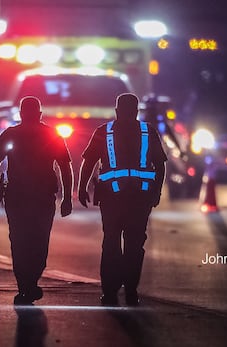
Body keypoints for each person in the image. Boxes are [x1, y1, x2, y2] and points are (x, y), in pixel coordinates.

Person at [77, 93, 167, 306]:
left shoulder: (104, 131)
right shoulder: (148, 131)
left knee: (111, 243)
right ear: (137, 111)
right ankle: (131, 291)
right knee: (134, 245)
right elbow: (160, 166)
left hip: (112, 199)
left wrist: (81, 188)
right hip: (140, 198)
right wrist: (156, 192)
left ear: (116, 110)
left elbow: (88, 163)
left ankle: (110, 292)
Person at [0, 96, 73, 305]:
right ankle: (31, 282)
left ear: (21, 114)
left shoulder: (11, 134)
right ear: (40, 114)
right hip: (43, 197)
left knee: (18, 241)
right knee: (40, 241)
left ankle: (24, 286)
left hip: (17, 197)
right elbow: (65, 167)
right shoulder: (51, 135)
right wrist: (67, 197)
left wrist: (2, 149)